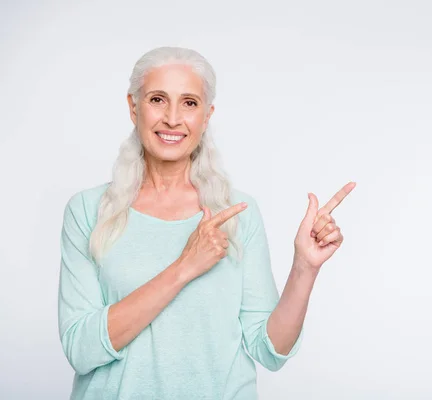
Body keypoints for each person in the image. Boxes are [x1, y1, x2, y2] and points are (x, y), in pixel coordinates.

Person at [57, 46, 356, 400]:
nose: (172, 118)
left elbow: (269, 349)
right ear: (133, 106)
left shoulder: (236, 213)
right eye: (157, 99)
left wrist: (305, 268)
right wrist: (185, 266)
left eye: (189, 103)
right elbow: (80, 349)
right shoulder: (89, 211)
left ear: (206, 115)